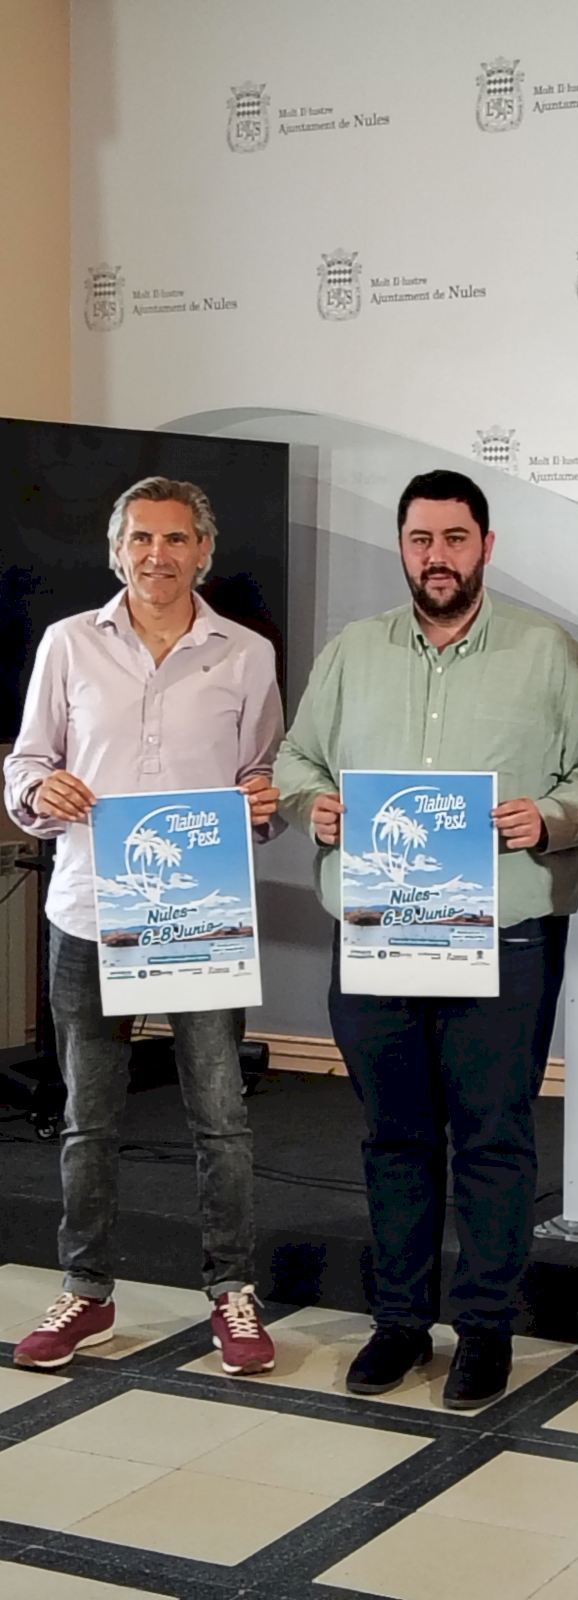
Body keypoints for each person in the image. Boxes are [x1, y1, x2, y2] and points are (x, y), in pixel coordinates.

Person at [273, 468, 578, 1407]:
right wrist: (314, 804)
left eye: (456, 539)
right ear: (403, 547)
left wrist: (550, 817)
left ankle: (484, 1328)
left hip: (503, 935)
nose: (438, 557)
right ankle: (398, 1322)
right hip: (379, 931)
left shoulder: (547, 654)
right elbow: (296, 758)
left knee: (493, 1139)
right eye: (422, 539)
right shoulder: (352, 653)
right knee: (394, 1135)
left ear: (486, 547)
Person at [3, 476, 284, 1375]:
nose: (157, 555)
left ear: (204, 550)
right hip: (89, 911)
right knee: (88, 1117)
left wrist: (263, 800)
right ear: (116, 551)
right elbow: (27, 763)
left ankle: (232, 1292)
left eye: (175, 539)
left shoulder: (246, 654)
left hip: (199, 915)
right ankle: (87, 1290)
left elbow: (264, 777)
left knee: (221, 1117)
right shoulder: (68, 643)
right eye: (141, 539)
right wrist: (37, 790)